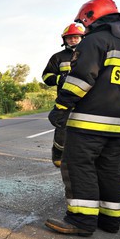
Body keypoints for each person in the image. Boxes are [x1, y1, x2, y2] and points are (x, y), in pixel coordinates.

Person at [44, 0, 120, 236]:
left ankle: (81, 220)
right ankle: (110, 220)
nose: (84, 28)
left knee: (79, 166)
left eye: (84, 23)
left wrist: (61, 107)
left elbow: (82, 78)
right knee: (110, 169)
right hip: (117, 127)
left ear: (91, 18)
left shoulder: (94, 41)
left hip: (87, 123)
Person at [42, 23, 85, 167]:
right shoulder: (58, 57)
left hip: (86, 100)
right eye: (69, 38)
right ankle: (58, 154)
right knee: (62, 129)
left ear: (82, 38)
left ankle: (80, 157)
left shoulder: (89, 55)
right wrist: (60, 79)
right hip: (65, 100)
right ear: (64, 40)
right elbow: (46, 76)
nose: (73, 40)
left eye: (76, 37)